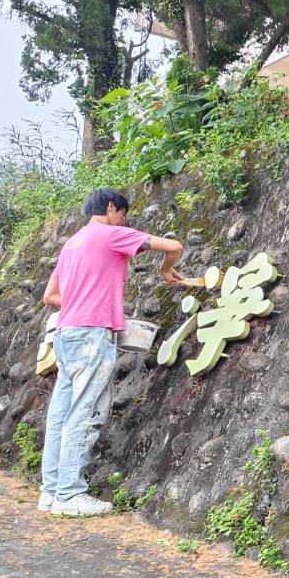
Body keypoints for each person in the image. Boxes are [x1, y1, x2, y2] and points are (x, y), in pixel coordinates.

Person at [38, 189, 183, 516]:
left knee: (61, 413)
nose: (124, 221)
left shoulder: (71, 243)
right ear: (111, 207)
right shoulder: (110, 233)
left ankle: (51, 492)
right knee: (85, 411)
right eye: (123, 214)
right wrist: (165, 269)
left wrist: (85, 301)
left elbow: (51, 296)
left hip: (66, 333)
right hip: (92, 335)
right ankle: (70, 495)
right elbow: (174, 246)